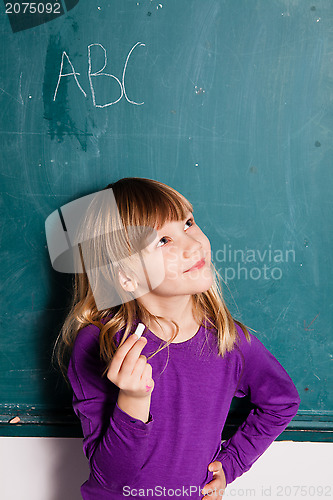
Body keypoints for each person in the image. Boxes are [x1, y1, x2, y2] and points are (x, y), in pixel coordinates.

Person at [52, 177, 300, 500]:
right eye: (164, 241)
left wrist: (232, 461)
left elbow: (281, 401)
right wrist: (133, 401)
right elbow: (113, 479)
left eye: (188, 222)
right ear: (126, 276)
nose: (193, 243)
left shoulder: (228, 341)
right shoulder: (98, 344)